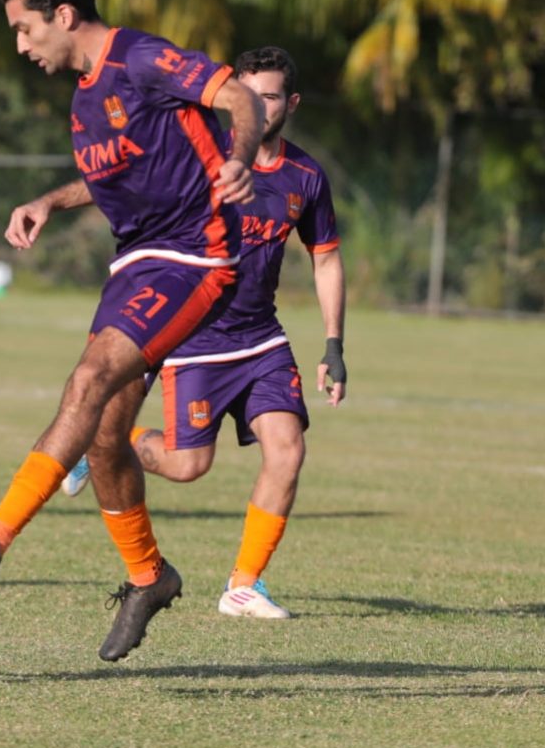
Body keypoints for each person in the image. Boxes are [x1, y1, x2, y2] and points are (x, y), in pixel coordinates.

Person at [0, 0, 264, 662]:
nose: (21, 46)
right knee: (105, 437)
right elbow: (111, 172)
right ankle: (150, 576)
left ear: (63, 15)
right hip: (135, 263)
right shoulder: (85, 99)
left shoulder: (139, 57)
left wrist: (239, 158)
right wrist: (49, 201)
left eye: (25, 29)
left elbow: (238, 95)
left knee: (87, 381)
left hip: (195, 255)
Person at [58, 46, 347, 620]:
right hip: (195, 338)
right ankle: (105, 445)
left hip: (261, 338)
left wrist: (334, 344)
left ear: (291, 103)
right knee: (188, 467)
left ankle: (244, 586)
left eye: (270, 98)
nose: (259, 108)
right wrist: (52, 203)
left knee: (288, 450)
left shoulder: (306, 177)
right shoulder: (198, 155)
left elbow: (326, 259)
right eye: (249, 96)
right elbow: (118, 180)